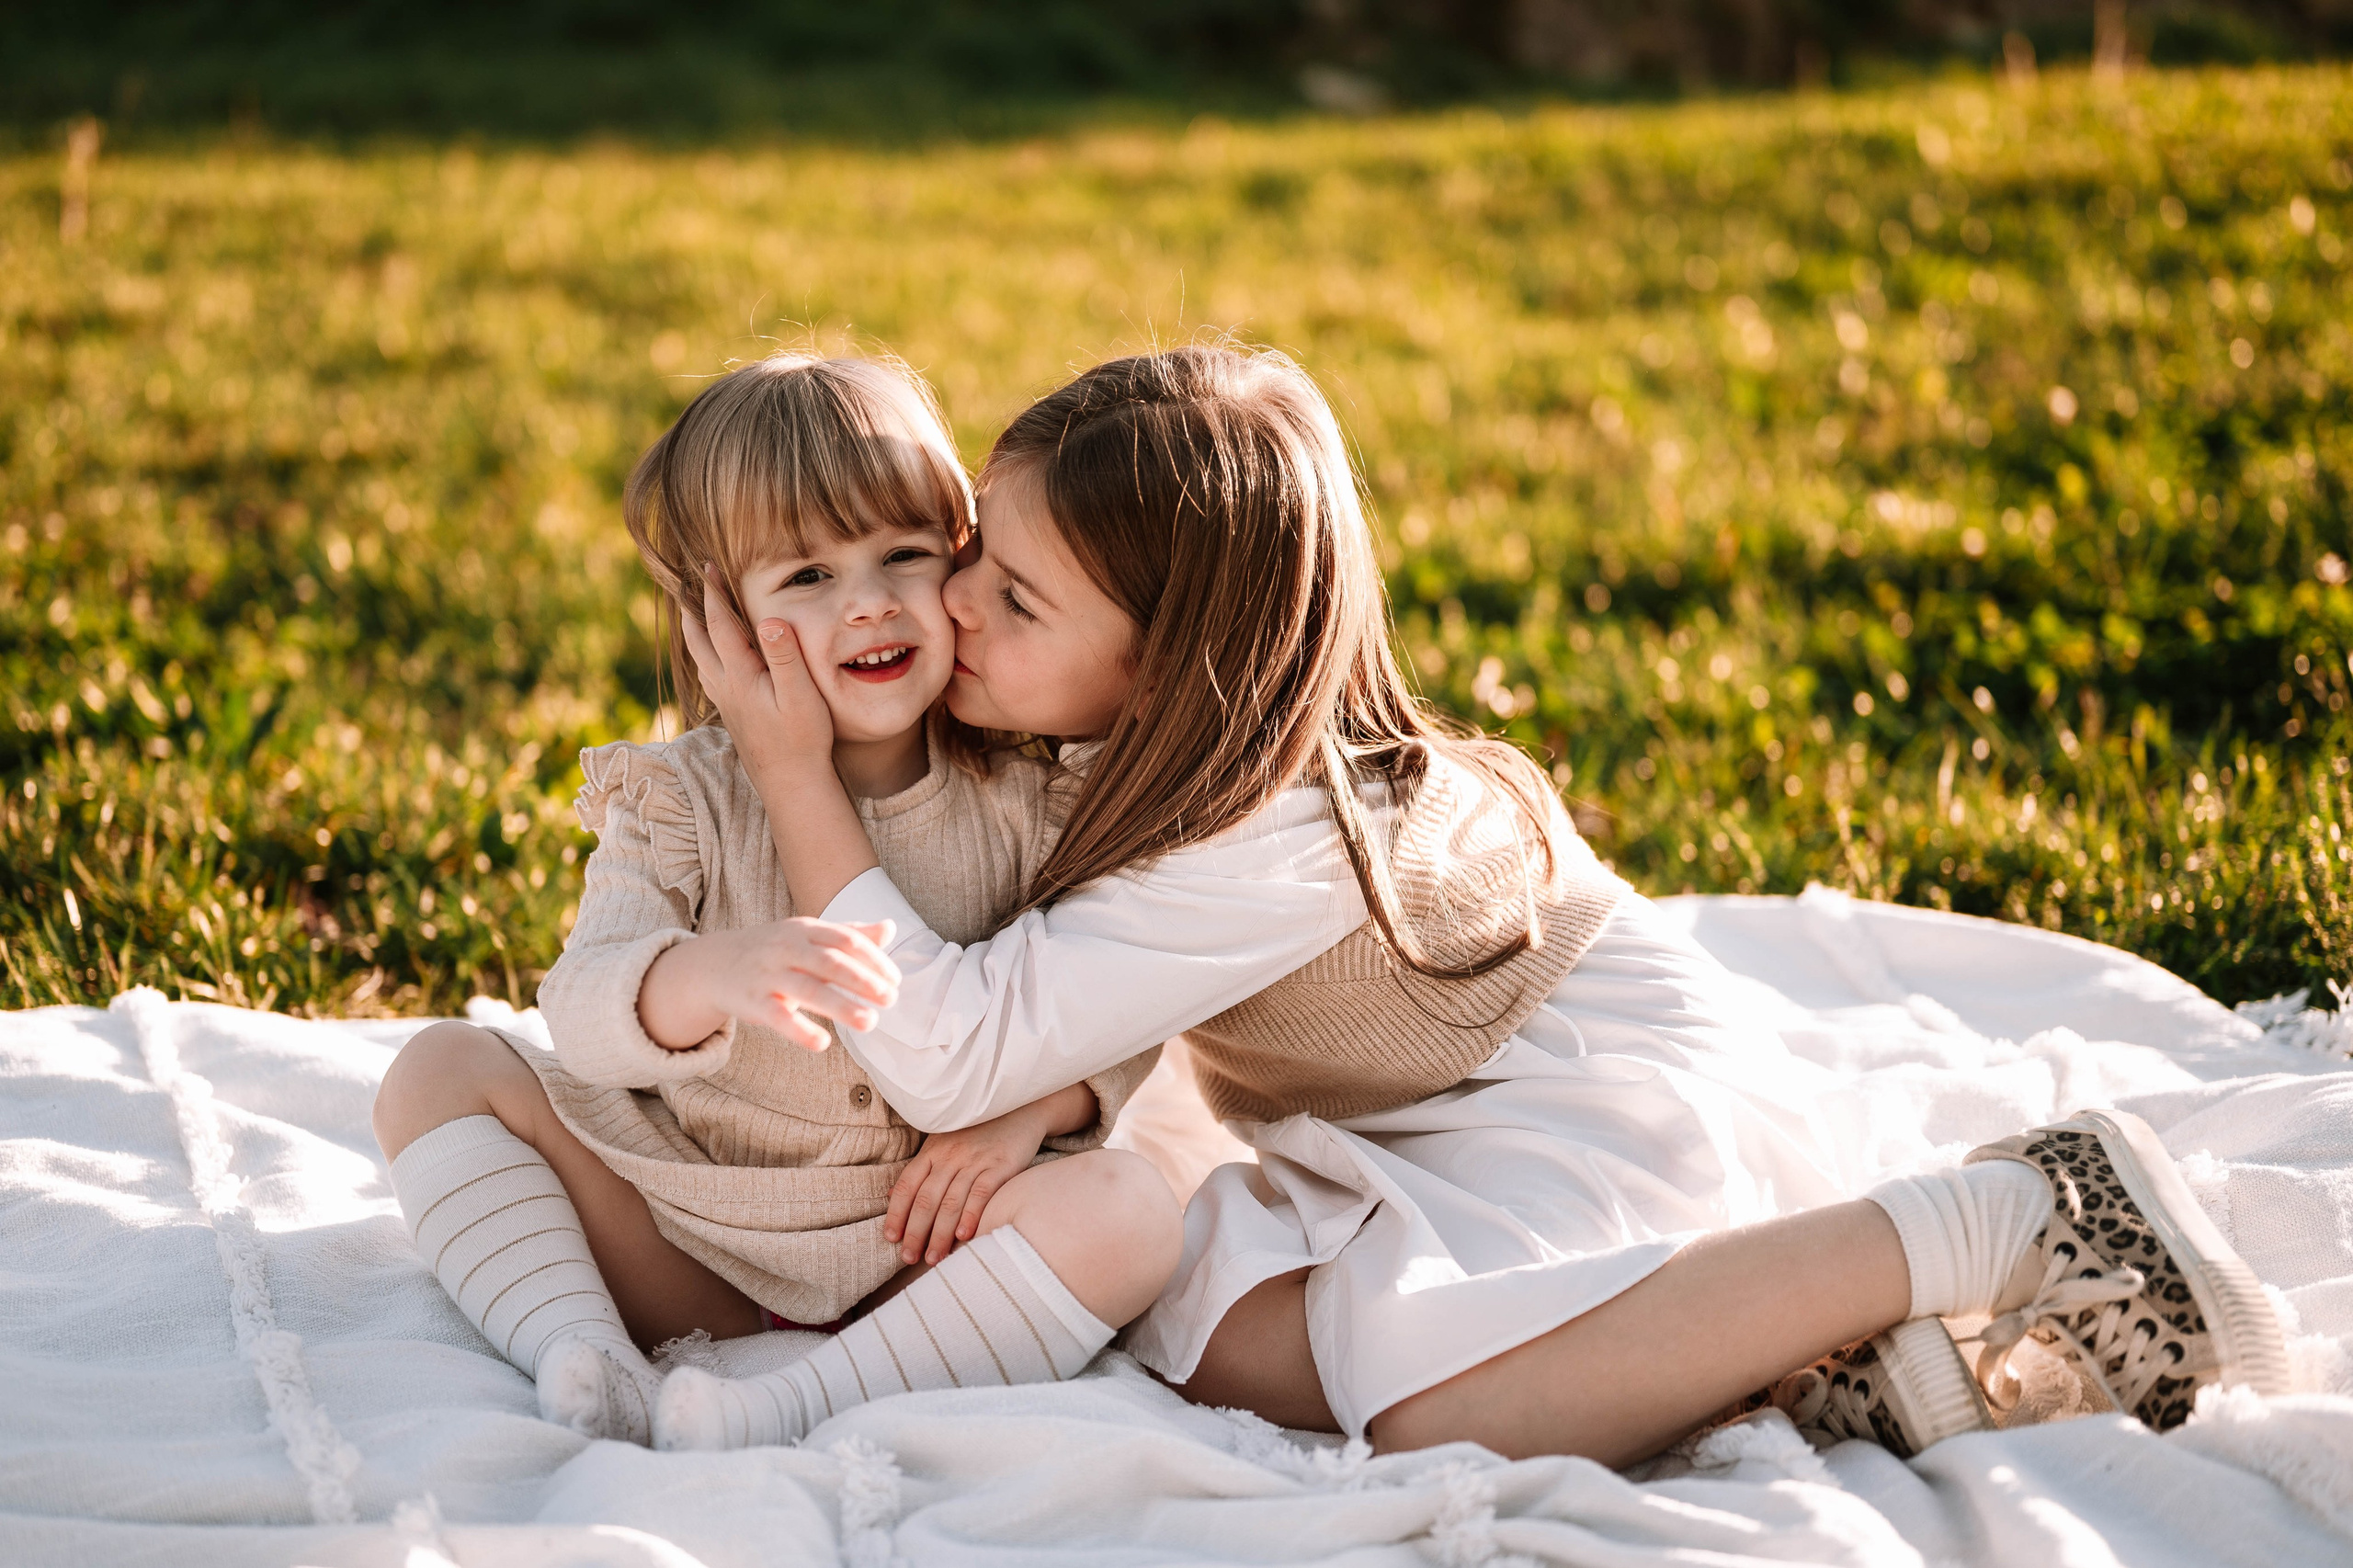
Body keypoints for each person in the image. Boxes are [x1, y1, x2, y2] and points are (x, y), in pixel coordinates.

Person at [672, 341, 2290, 1465]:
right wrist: (1073, 1087)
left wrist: (800, 775)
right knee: (1197, 1317)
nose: (949, 603)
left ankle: (1995, 1217)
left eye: (1005, 593)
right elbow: (1080, 998)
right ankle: (1802, 1353)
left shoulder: (1254, 836)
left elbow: (950, 1053)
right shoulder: (1182, 746)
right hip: (1455, 1103)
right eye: (971, 555)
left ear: (1167, 666)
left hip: (1584, 1102)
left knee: (1432, 1408)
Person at [369, 353, 1179, 1449]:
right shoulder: (684, 797)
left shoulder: (1034, 792)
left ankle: (796, 1403)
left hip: (928, 1247)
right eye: (805, 576)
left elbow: (1119, 1010)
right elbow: (585, 1002)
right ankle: (582, 1348)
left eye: (905, 553)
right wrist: (706, 976)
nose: (869, 603)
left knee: (1131, 1210)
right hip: (687, 1233)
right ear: (719, 616)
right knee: (438, 1070)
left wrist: (1033, 1113)